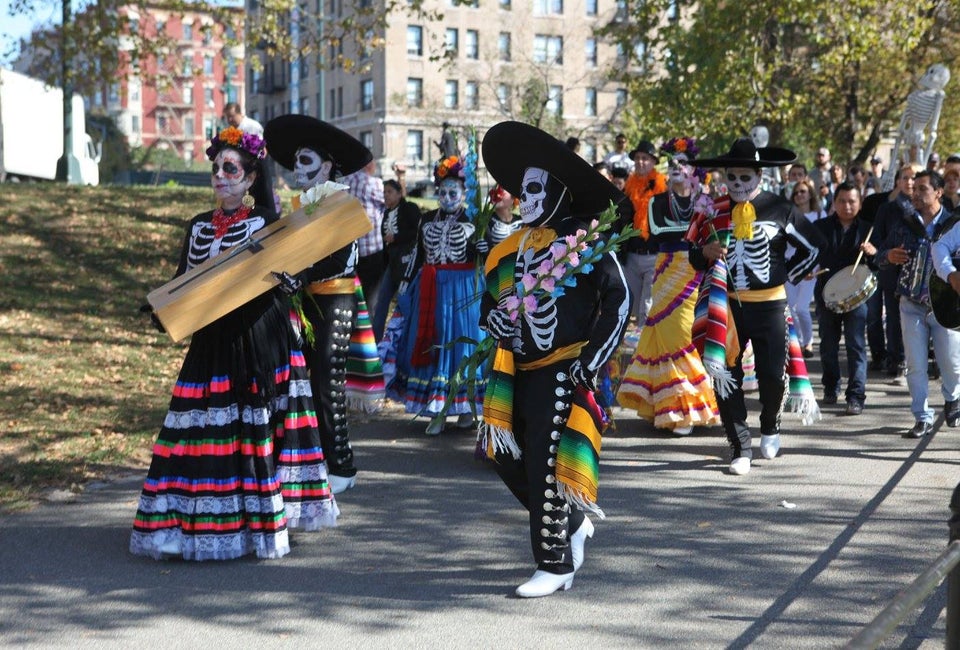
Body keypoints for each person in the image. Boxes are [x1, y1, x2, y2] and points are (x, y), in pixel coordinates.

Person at [130, 127, 339, 561]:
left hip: (258, 335)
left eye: (231, 169)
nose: (220, 176)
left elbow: (309, 260)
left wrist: (293, 280)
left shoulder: (265, 220)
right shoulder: (197, 226)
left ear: (248, 179)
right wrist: (162, 309)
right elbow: (182, 281)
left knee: (254, 430)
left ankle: (258, 526)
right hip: (212, 340)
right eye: (216, 169)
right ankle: (186, 525)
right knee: (200, 432)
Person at [479, 120, 630, 598]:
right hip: (514, 372)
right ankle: (573, 520)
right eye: (523, 191)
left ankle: (555, 564)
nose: (526, 199)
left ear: (562, 193)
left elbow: (619, 299)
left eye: (536, 190)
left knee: (545, 461)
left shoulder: (583, 244)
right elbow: (490, 306)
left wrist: (595, 359)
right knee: (503, 455)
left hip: (563, 369)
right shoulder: (507, 249)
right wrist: (495, 324)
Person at [688, 138, 823, 476]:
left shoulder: (780, 208)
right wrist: (704, 254)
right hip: (728, 307)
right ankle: (740, 445)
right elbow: (692, 253)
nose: (737, 184)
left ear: (759, 176)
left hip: (771, 305)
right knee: (726, 376)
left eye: (744, 177)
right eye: (731, 178)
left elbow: (814, 248)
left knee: (772, 375)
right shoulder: (713, 210)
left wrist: (785, 276)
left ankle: (770, 424)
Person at [264, 114, 374, 494]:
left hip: (335, 302)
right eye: (295, 161)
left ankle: (341, 465)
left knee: (328, 384)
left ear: (327, 167)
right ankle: (305, 461)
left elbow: (341, 257)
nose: (297, 168)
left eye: (306, 161)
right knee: (299, 384)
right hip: (305, 305)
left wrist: (304, 275)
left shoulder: (341, 203)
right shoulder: (301, 207)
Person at [617, 137, 719, 434]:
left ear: (693, 170)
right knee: (671, 335)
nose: (676, 168)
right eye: (672, 163)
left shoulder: (705, 201)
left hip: (696, 270)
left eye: (682, 163)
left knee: (688, 332)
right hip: (666, 268)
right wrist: (698, 224)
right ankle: (676, 406)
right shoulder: (656, 202)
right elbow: (659, 230)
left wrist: (707, 219)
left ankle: (683, 403)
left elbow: (713, 235)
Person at [392, 154, 486, 435]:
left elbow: (487, 254)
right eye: (442, 192)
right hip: (431, 288)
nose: (446, 197)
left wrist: (485, 248)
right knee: (433, 342)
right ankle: (437, 409)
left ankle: (466, 408)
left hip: (464, 288)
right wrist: (406, 280)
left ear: (464, 193)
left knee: (461, 346)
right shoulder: (427, 218)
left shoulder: (474, 218)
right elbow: (417, 255)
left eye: (452, 192)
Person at [879, 171, 960, 437]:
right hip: (911, 302)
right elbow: (880, 255)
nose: (915, 193)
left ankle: (952, 398)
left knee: (950, 361)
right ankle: (922, 417)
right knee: (915, 363)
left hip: (945, 306)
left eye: (922, 189)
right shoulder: (904, 223)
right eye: (914, 189)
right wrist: (888, 256)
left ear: (938, 192)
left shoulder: (952, 224)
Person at [812, 183, 875, 415]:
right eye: (842, 201)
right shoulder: (820, 227)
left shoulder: (869, 230)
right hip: (826, 293)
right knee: (828, 345)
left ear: (859, 203)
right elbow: (809, 254)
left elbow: (879, 265)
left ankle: (856, 396)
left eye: (852, 201)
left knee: (856, 346)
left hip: (857, 296)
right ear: (834, 202)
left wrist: (873, 253)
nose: (847, 206)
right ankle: (831, 386)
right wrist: (807, 270)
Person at [869, 164, 920, 378]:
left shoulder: (930, 208)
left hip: (920, 273)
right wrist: (887, 253)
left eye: (914, 178)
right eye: (905, 178)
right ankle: (896, 359)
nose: (909, 182)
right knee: (893, 316)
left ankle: (919, 360)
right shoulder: (887, 209)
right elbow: (876, 242)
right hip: (892, 272)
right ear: (897, 182)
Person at [621, 139, 667, 327]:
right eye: (638, 158)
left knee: (646, 307)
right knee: (632, 302)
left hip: (653, 255)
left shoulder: (662, 187)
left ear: (653, 161)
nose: (640, 162)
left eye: (645, 158)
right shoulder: (629, 186)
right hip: (632, 255)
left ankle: (644, 351)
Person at [372, 179, 422, 341]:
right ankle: (376, 341)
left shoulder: (409, 209)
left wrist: (397, 237)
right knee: (381, 302)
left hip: (407, 263)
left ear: (399, 194)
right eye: (384, 192)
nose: (386, 195)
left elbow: (418, 232)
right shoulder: (386, 213)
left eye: (390, 192)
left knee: (404, 301)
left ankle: (406, 340)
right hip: (392, 264)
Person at [787, 178, 827, 358]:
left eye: (802, 191)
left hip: (811, 269)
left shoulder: (819, 216)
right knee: (790, 308)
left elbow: (822, 244)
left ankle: (808, 342)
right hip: (789, 266)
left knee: (802, 308)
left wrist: (814, 267)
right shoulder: (787, 214)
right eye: (796, 192)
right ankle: (798, 342)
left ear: (810, 194)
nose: (799, 195)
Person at [343, 159, 387, 314]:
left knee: (352, 295)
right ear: (369, 165)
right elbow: (393, 200)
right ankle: (368, 334)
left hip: (350, 247)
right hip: (371, 248)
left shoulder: (345, 181)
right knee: (371, 299)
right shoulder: (373, 183)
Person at [476, 184, 523, 255]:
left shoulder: (522, 221)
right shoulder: (485, 222)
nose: (496, 193)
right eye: (495, 189)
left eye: (501, 190)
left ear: (513, 198)